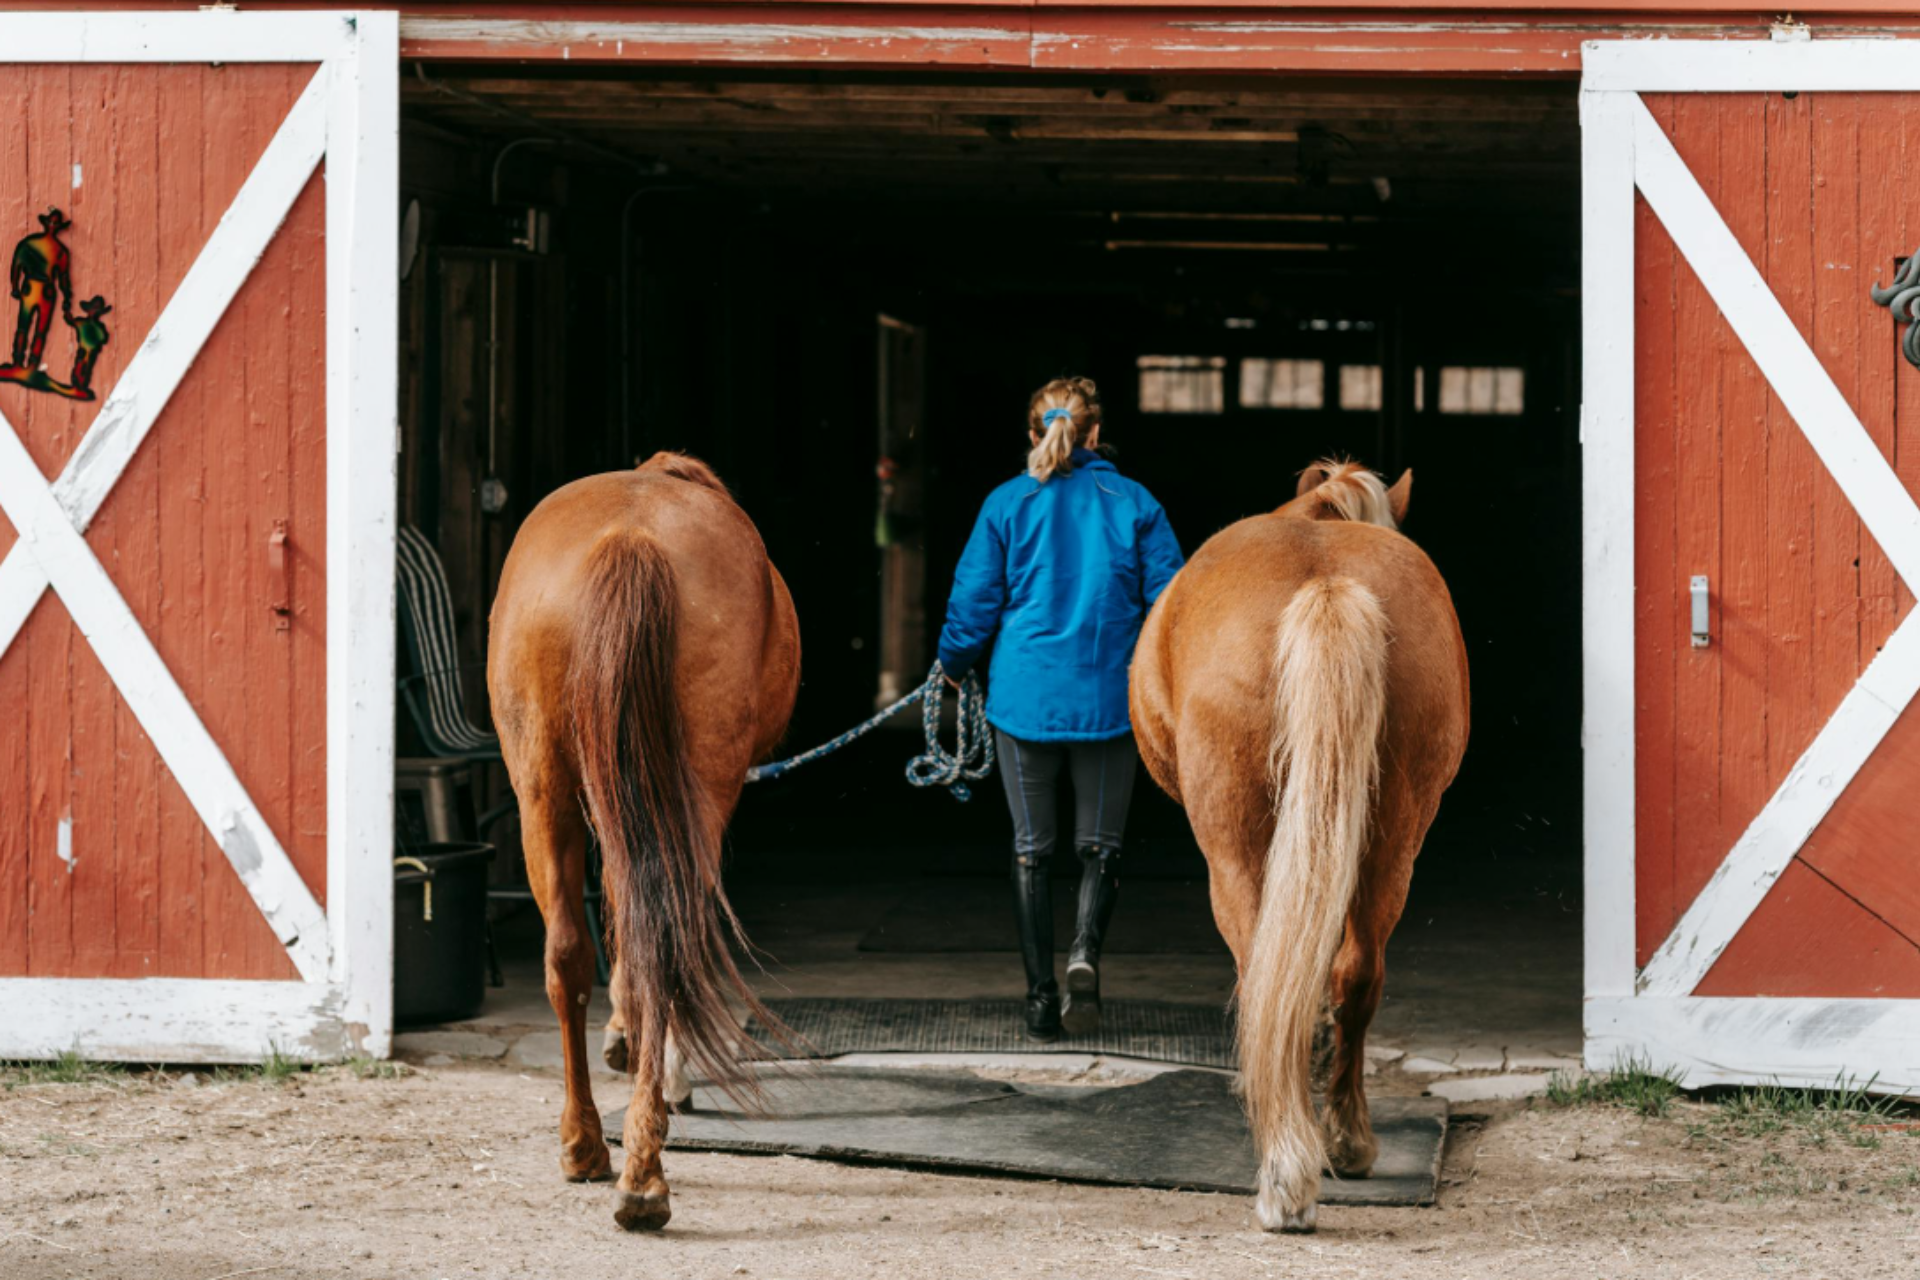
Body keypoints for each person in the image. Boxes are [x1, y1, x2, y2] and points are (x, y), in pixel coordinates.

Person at [936, 376, 1184, 1040]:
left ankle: (1041, 1001)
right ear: (1096, 433)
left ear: (1032, 433)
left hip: (1024, 698)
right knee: (1100, 847)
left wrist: (953, 666)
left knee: (1030, 851)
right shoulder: (1135, 503)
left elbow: (973, 604)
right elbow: (1171, 606)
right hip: (1109, 696)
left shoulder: (1006, 504)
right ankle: (1084, 954)